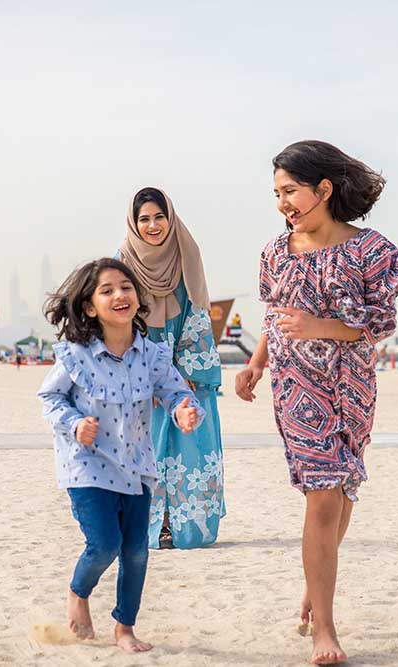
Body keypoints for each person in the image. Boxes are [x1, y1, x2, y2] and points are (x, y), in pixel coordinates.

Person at [235, 140, 398, 665]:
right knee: (324, 497)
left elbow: (377, 324)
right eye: (277, 193)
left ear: (323, 189)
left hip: (352, 388)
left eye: (290, 191)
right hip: (296, 388)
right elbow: (274, 313)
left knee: (344, 491)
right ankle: (323, 632)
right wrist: (256, 363)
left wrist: (320, 327)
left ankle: (316, 581)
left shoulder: (372, 251)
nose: (282, 203)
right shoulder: (274, 251)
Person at [38, 257, 203, 653]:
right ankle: (79, 592)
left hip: (136, 465)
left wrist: (183, 409)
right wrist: (76, 424)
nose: (120, 295)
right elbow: (49, 397)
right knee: (105, 545)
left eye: (126, 287)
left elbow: (176, 392)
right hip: (87, 465)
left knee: (136, 551)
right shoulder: (76, 355)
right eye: (107, 290)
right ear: (90, 307)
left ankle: (124, 628)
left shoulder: (154, 355)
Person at [117, 187, 224, 550]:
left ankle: (182, 527)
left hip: (188, 373)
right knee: (145, 450)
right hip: (139, 375)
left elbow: (198, 313)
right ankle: (150, 527)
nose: (152, 225)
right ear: (134, 222)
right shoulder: (123, 263)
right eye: (144, 218)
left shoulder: (186, 255)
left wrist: (183, 377)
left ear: (170, 218)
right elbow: (120, 321)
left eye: (159, 217)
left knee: (187, 449)